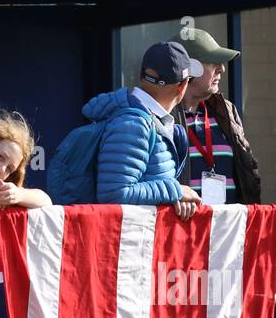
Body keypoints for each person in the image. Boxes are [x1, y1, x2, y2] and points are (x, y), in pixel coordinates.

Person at [84, 41, 200, 219]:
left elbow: (150, 187)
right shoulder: (133, 125)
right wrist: (175, 190)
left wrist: (174, 197)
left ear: (142, 75)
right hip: (127, 244)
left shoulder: (146, 120)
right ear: (182, 87)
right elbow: (115, 194)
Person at [170, 28, 261, 205]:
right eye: (213, 63)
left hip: (228, 227)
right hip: (184, 228)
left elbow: (247, 173)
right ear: (190, 68)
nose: (222, 69)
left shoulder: (226, 111)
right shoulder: (163, 116)